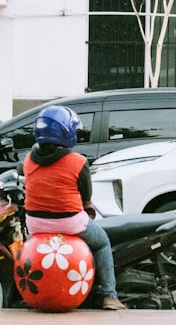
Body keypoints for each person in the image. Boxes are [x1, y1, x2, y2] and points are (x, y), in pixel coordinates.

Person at [22, 105, 127, 311]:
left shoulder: (27, 159)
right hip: (69, 221)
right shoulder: (78, 161)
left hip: (35, 224)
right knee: (103, 242)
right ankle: (110, 296)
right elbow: (86, 196)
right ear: (66, 132)